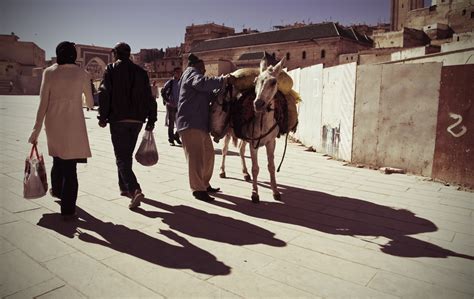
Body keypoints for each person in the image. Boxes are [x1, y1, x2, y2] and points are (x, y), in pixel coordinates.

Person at [28, 41, 94, 220]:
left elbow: (43, 103)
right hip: (74, 125)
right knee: (70, 168)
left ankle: (57, 190)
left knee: (58, 158)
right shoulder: (82, 73)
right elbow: (90, 103)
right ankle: (67, 210)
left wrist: (36, 130)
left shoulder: (49, 72)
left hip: (53, 124)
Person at [97, 42, 157, 209]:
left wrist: (102, 116)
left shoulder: (111, 69)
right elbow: (149, 97)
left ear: (116, 54)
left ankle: (134, 189)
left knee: (121, 157)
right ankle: (123, 187)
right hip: (137, 121)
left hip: (118, 120)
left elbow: (104, 93)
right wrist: (151, 119)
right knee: (125, 155)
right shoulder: (141, 72)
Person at [176, 53, 232, 202]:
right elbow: (201, 83)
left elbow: (206, 93)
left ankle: (204, 184)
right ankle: (198, 189)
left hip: (199, 124)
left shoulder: (193, 78)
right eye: (203, 69)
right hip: (190, 123)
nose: (205, 72)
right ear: (197, 66)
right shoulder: (191, 73)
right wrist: (222, 79)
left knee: (208, 156)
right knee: (196, 158)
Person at [161, 67, 182, 146]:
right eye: (177, 72)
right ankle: (171, 139)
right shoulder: (170, 82)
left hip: (179, 105)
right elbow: (163, 92)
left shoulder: (182, 82)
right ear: (174, 73)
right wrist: (168, 101)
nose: (179, 74)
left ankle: (176, 136)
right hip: (171, 106)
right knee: (171, 124)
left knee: (181, 123)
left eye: (180, 72)